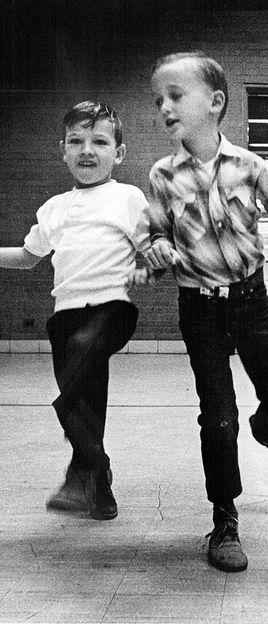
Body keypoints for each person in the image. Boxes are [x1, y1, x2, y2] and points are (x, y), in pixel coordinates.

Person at [145, 51, 268, 573]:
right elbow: (153, 234)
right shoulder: (161, 175)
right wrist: (153, 250)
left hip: (250, 302)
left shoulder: (250, 166)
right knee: (218, 418)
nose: (165, 108)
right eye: (159, 100)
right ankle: (224, 519)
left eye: (175, 96)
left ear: (215, 103)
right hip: (198, 309)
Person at [0, 101, 151, 521]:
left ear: (118, 153)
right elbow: (29, 257)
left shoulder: (127, 197)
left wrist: (150, 265)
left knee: (70, 392)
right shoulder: (53, 208)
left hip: (111, 309)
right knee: (86, 400)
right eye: (77, 141)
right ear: (62, 150)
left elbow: (152, 247)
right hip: (64, 315)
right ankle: (99, 489)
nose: (87, 150)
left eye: (100, 141)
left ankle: (83, 470)